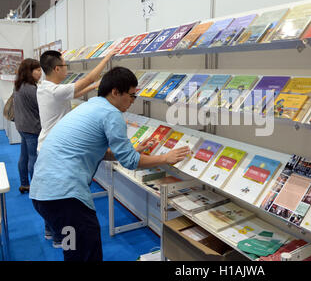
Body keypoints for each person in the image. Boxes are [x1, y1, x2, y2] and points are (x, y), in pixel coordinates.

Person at [29, 67, 190, 261]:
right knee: (86, 253)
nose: (132, 101)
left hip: (43, 193)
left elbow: (95, 150)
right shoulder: (111, 114)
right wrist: (165, 158)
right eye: (131, 96)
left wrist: (131, 151)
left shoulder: (89, 106)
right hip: (65, 198)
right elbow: (130, 162)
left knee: (73, 250)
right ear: (115, 92)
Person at [37, 49, 117, 152]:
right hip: (54, 145)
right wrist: (107, 58)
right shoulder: (55, 91)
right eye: (65, 65)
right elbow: (89, 79)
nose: (67, 69)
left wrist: (93, 87)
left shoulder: (44, 87)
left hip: (47, 142)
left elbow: (73, 94)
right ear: (57, 69)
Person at [13, 59, 42, 193]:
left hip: (22, 126)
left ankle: (24, 184)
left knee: (24, 156)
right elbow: (41, 108)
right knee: (33, 158)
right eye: (37, 70)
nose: (40, 72)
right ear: (29, 72)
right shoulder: (31, 89)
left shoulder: (19, 85)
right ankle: (36, 188)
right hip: (32, 127)